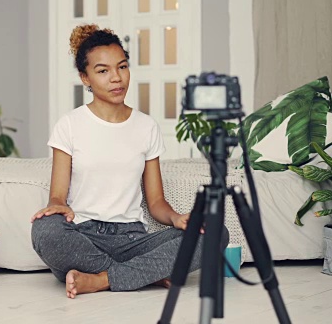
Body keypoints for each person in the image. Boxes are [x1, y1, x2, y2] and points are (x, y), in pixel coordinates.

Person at [30, 24, 229, 299]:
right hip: (85, 236)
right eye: (103, 71)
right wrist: (55, 206)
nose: (116, 78)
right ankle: (144, 275)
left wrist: (177, 218)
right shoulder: (70, 125)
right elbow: (58, 195)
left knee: (215, 233)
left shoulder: (146, 126)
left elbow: (156, 202)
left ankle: (100, 280)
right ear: (84, 78)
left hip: (133, 239)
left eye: (122, 67)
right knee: (45, 230)